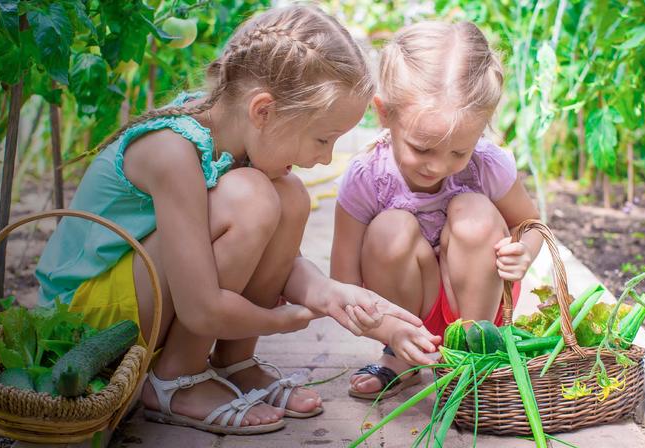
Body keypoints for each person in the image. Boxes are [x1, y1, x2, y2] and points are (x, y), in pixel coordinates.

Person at [35, 5, 421, 435]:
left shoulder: (225, 138)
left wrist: (330, 295)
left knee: (288, 197)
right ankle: (176, 380)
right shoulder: (172, 152)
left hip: (140, 303)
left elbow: (280, 262)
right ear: (263, 111)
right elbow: (200, 309)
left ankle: (234, 361)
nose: (324, 158)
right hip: (86, 325)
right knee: (254, 196)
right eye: (322, 138)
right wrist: (279, 321)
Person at [330, 21, 543, 400]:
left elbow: (532, 225)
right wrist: (384, 328)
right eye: (422, 148)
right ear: (384, 113)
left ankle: (473, 355)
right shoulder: (367, 177)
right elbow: (343, 280)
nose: (438, 166)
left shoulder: (487, 164)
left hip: (476, 302)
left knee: (473, 209)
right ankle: (402, 359)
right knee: (389, 228)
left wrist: (523, 250)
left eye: (458, 151)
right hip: (405, 314)